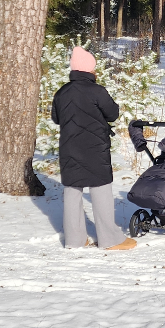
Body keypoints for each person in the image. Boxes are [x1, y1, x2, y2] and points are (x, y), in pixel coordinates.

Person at [52, 46, 136, 251]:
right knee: (101, 191)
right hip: (94, 148)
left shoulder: (62, 92)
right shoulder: (97, 91)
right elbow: (113, 113)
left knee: (72, 192)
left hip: (69, 148)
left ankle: (74, 240)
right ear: (90, 69)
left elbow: (55, 118)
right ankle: (110, 240)